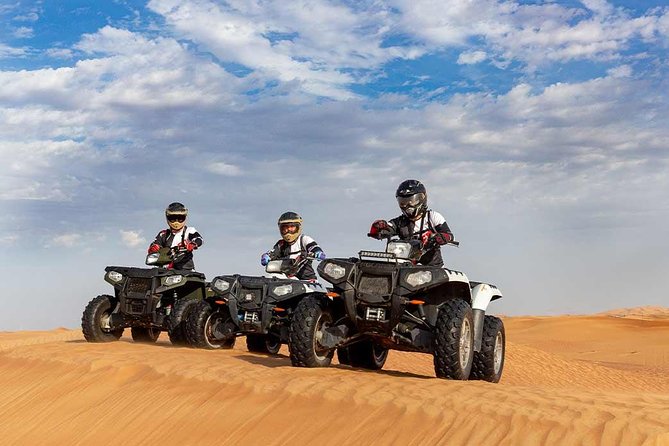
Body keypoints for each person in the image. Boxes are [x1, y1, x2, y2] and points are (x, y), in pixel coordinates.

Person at [368, 179, 453, 267]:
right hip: (404, 265)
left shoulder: (433, 216)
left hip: (432, 267)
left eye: (412, 201)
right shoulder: (399, 222)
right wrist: (378, 226)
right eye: (403, 202)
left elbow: (449, 234)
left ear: (422, 199)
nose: (407, 206)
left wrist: (443, 237)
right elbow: (381, 232)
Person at [260, 211, 326, 280]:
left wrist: (318, 252)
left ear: (298, 227)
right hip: (286, 277)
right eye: (285, 228)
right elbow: (273, 252)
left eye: (292, 227)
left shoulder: (303, 239)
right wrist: (266, 256)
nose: (288, 231)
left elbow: (313, 247)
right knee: (270, 280)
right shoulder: (281, 244)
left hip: (306, 279)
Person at [147, 202, 203, 270]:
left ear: (185, 217)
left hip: (186, 270)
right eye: (173, 218)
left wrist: (193, 244)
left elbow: (199, 239)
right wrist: (154, 247)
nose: (176, 222)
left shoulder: (189, 231)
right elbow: (155, 244)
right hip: (166, 270)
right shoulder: (163, 234)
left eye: (180, 218)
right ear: (167, 217)